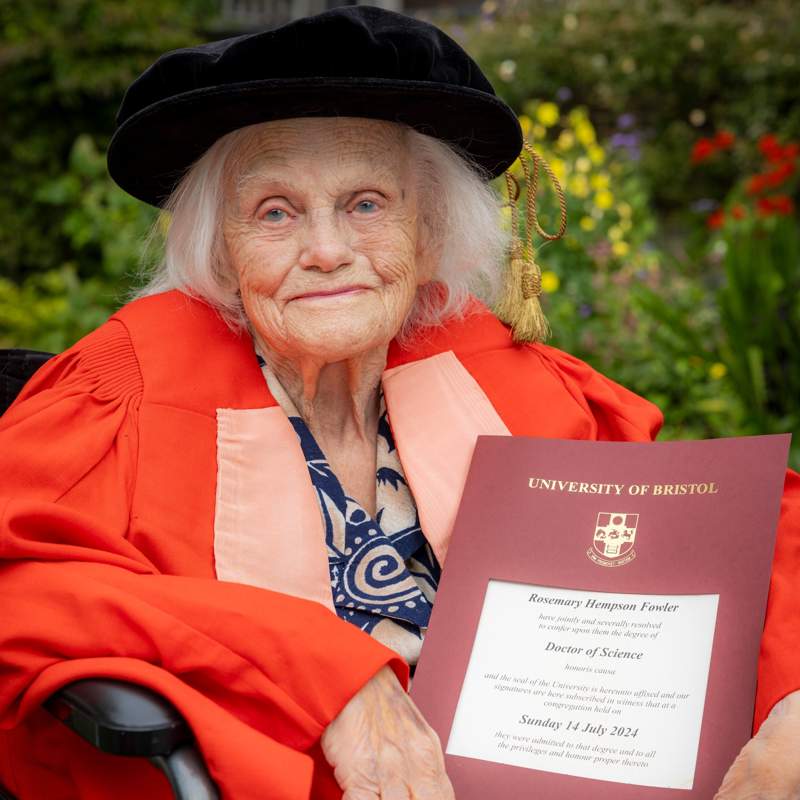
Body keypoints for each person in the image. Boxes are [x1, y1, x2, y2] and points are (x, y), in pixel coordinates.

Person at [0, 6, 798, 800]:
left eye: (367, 204)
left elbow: (726, 536)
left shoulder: (492, 367)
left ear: (428, 234)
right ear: (219, 248)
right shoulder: (130, 387)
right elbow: (27, 584)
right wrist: (326, 673)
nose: (326, 249)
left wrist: (791, 702)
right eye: (274, 212)